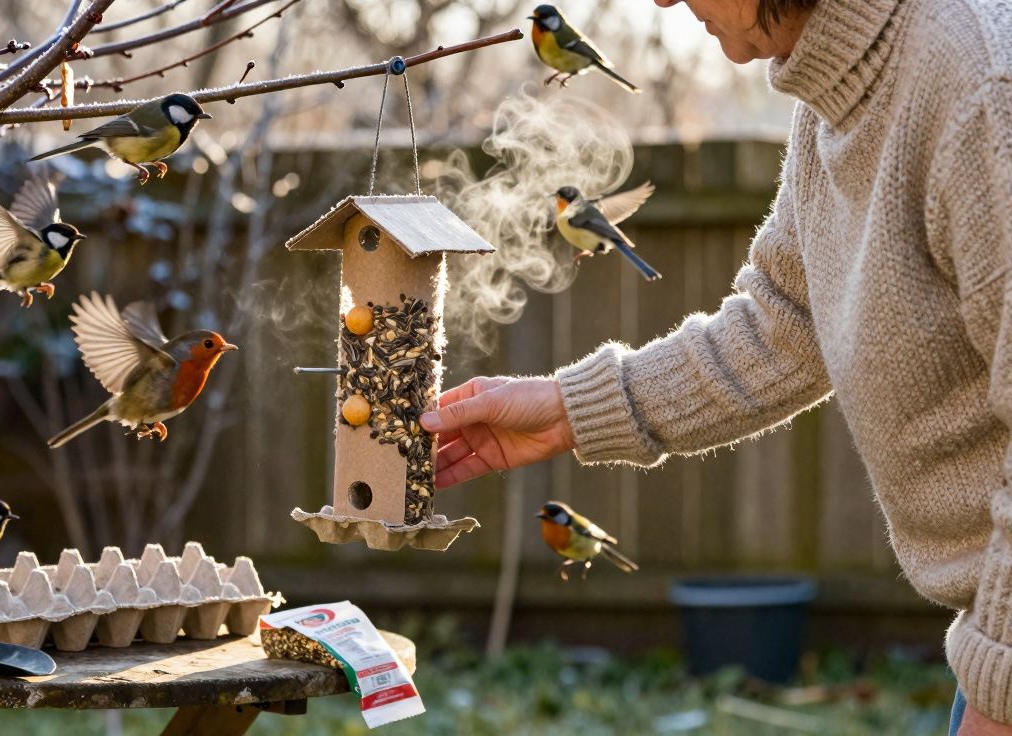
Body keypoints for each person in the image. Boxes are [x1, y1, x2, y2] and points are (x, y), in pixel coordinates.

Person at [421, 0, 1012, 733]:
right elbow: (785, 327)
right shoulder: (840, 89)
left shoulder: (983, 85)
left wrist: (1001, 691)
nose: (662, 2)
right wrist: (569, 406)